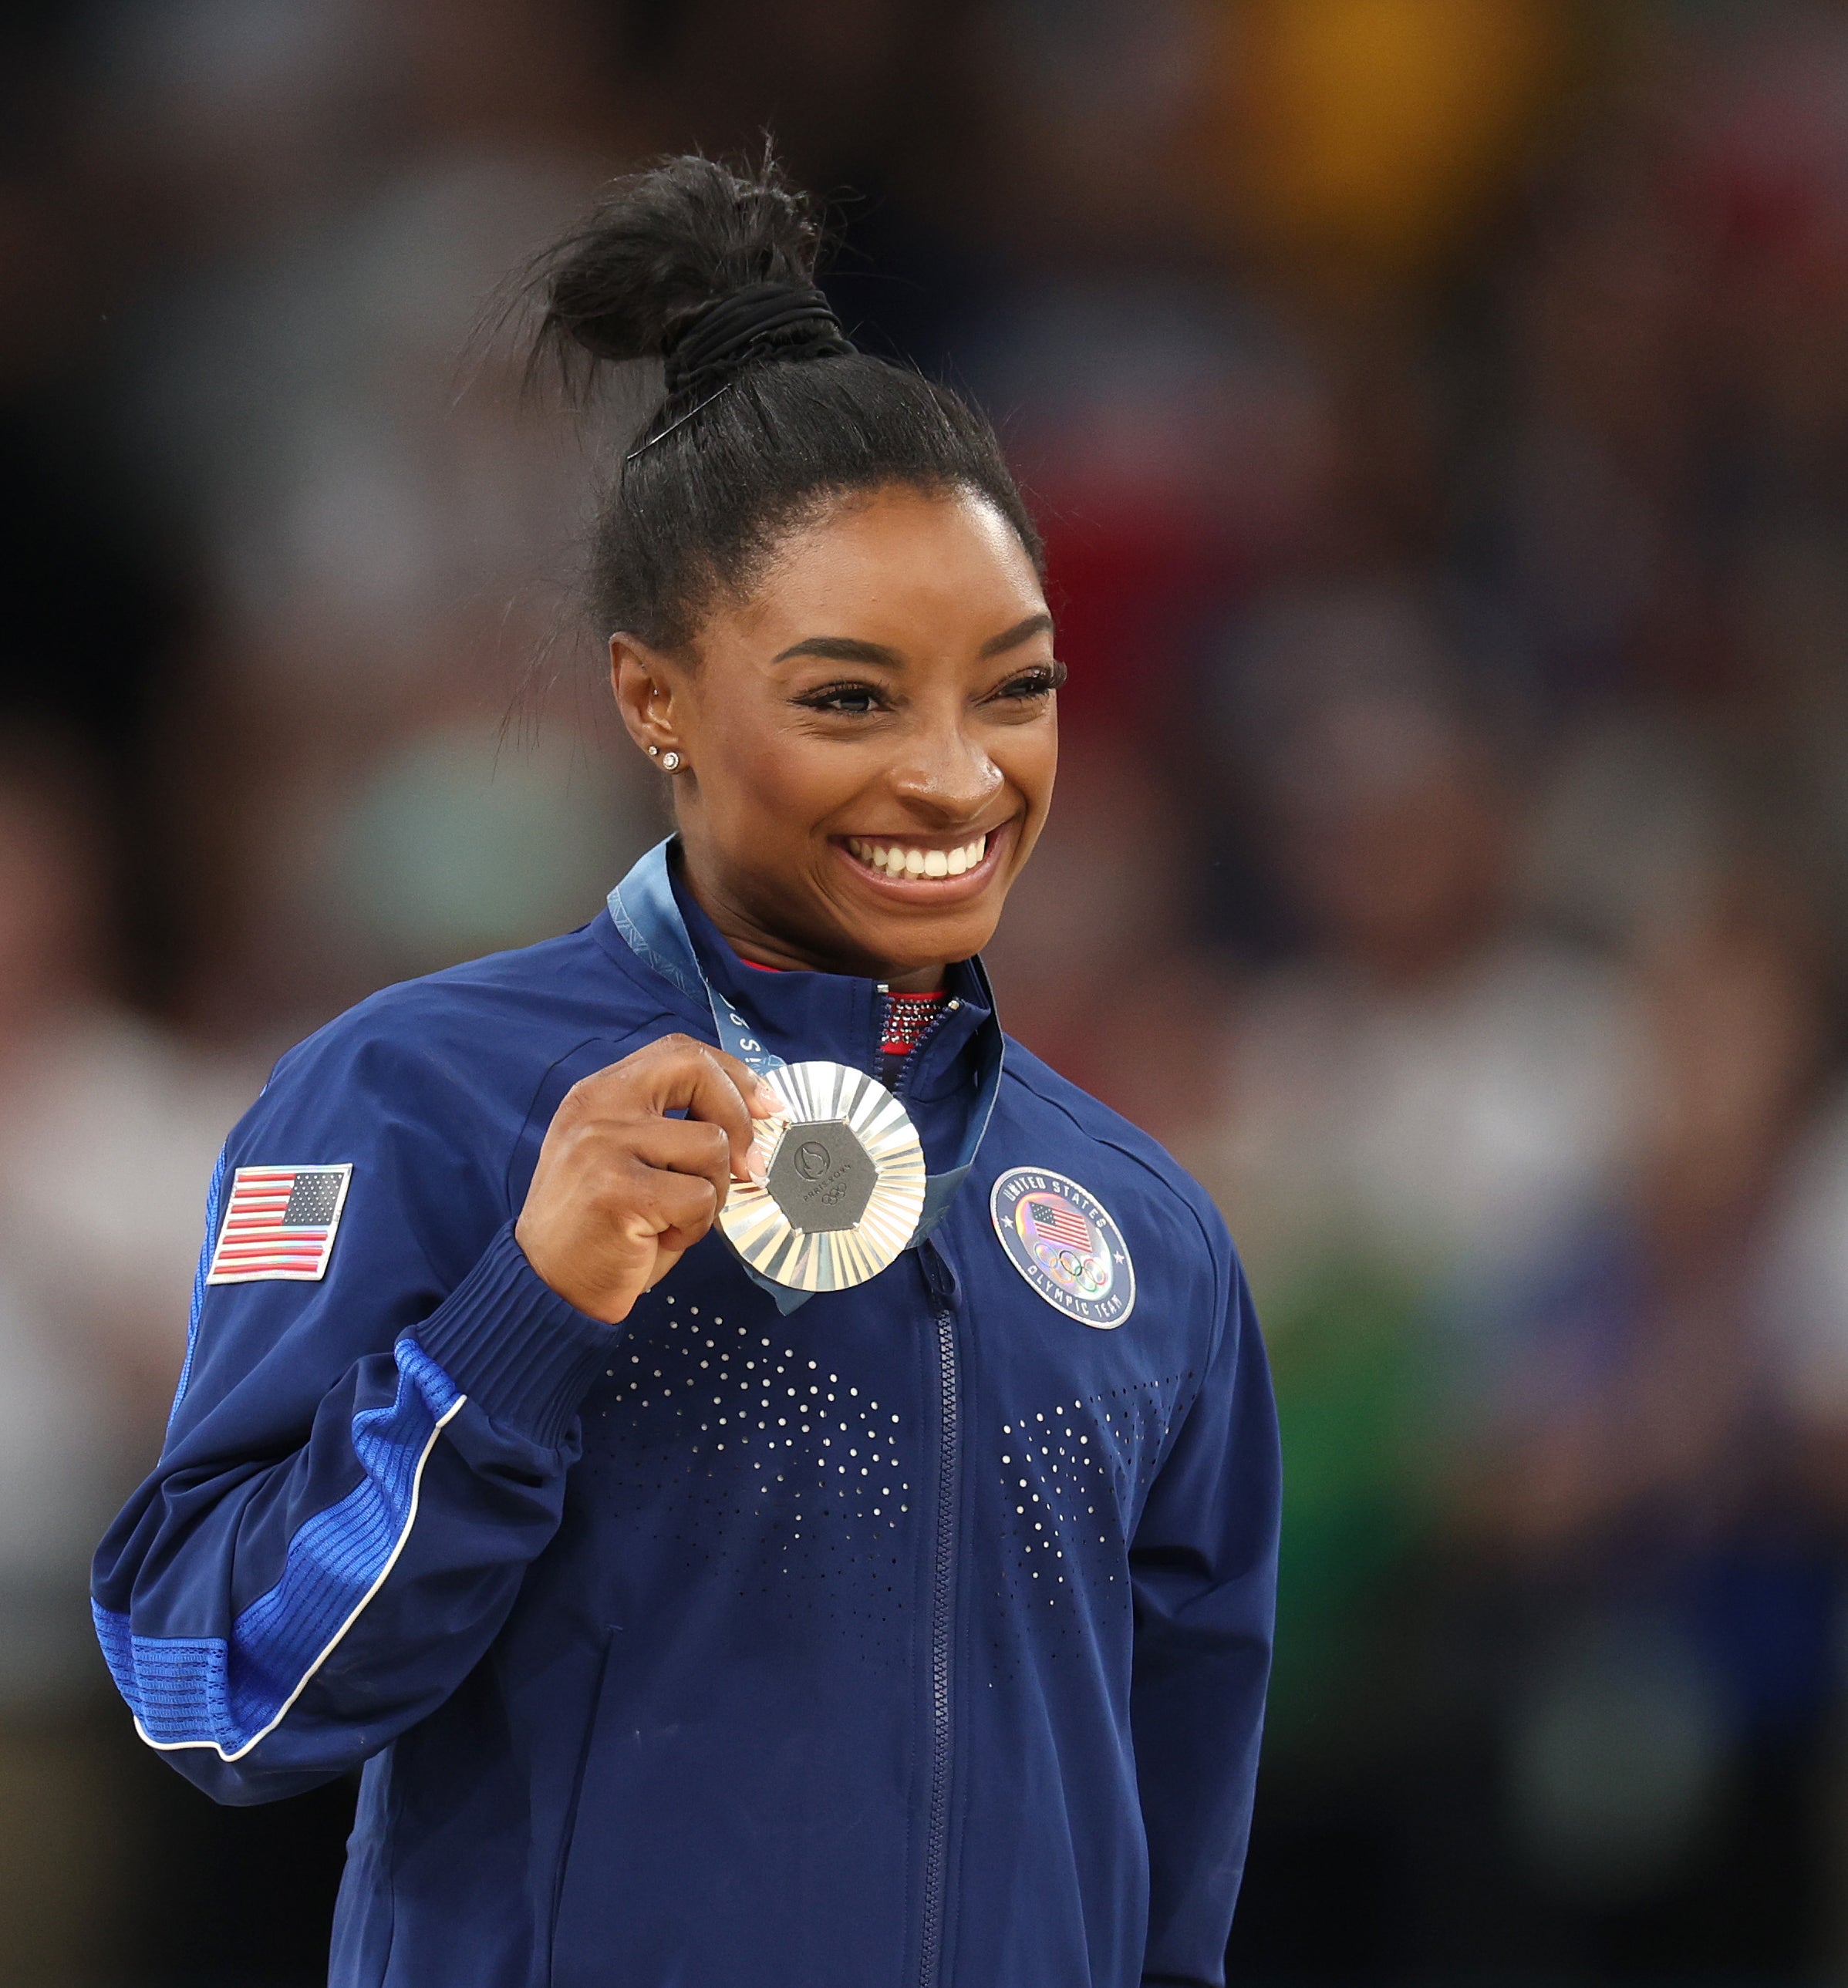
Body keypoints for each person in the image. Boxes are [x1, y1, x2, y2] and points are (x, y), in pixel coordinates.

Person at [91, 153, 1280, 1988]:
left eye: (1015, 686)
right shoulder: (420, 1100)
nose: (958, 778)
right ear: (655, 698)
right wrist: (519, 1317)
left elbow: (1179, 1889)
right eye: (847, 697)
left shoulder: (1145, 1234)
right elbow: (209, 1683)